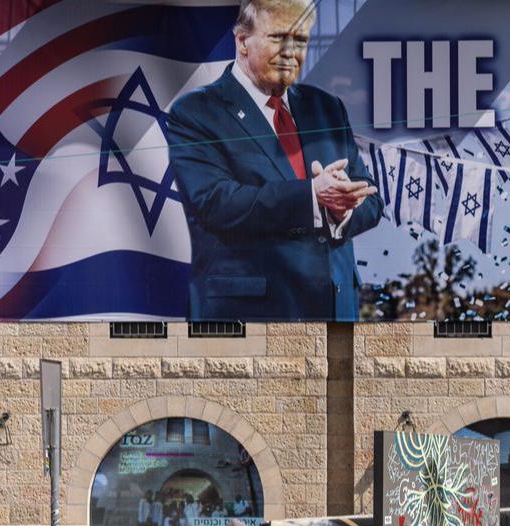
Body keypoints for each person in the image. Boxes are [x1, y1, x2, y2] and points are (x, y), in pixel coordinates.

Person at [164, 0, 383, 322]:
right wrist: (311, 196)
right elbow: (215, 203)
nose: (291, 52)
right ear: (242, 42)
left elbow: (371, 198)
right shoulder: (196, 112)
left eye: (301, 41)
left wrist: (344, 209)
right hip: (248, 317)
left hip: (335, 313)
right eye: (279, 38)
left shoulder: (327, 107)